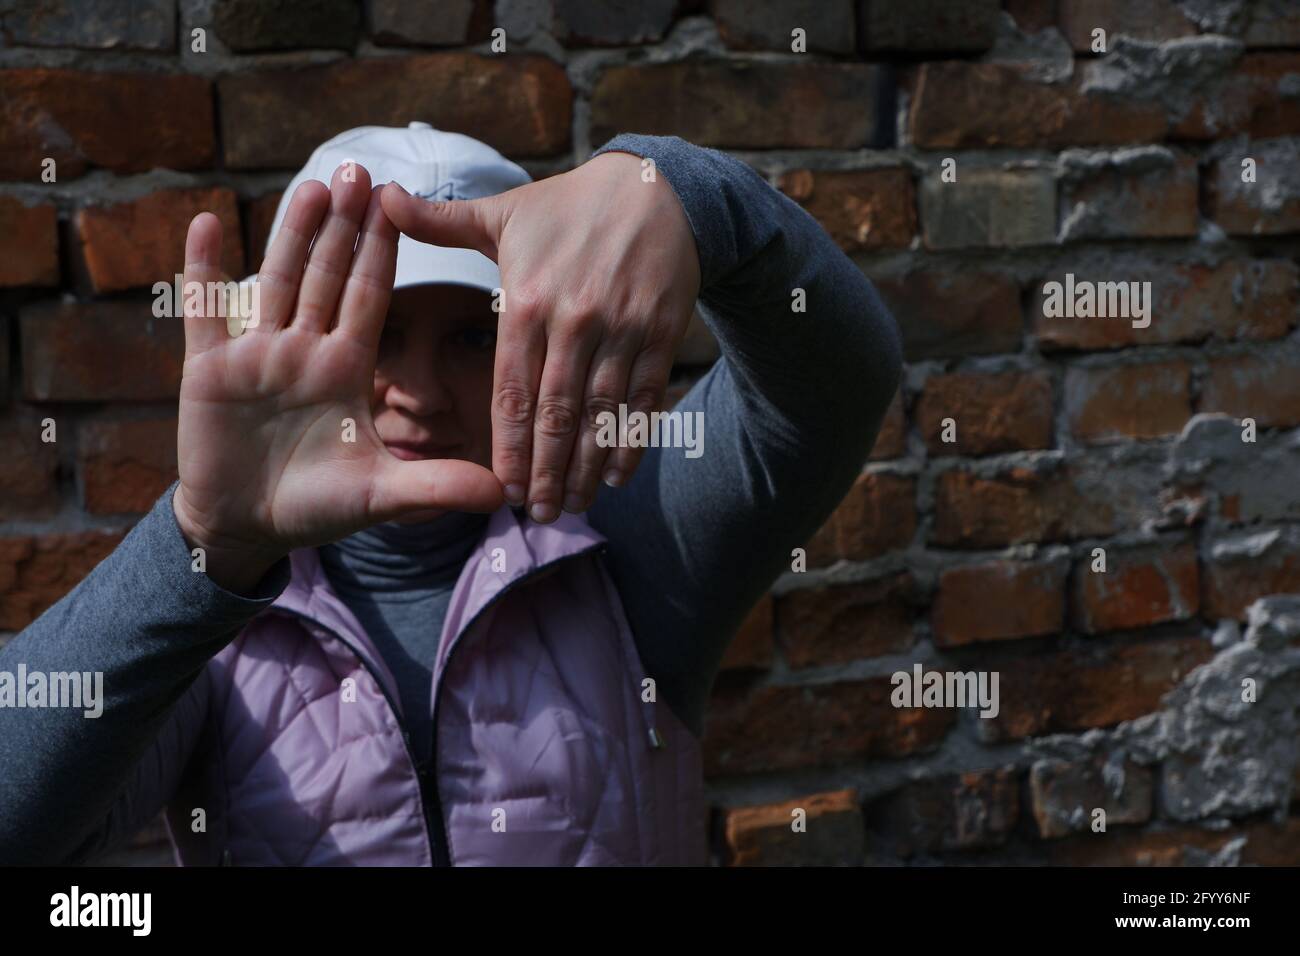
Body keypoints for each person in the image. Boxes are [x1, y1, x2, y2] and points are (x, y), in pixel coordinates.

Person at [0, 124, 902, 866]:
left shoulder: (632, 538)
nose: (419, 394)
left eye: (475, 337)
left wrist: (693, 195)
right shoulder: (210, 615)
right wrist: (200, 542)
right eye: (381, 334)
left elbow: (833, 390)